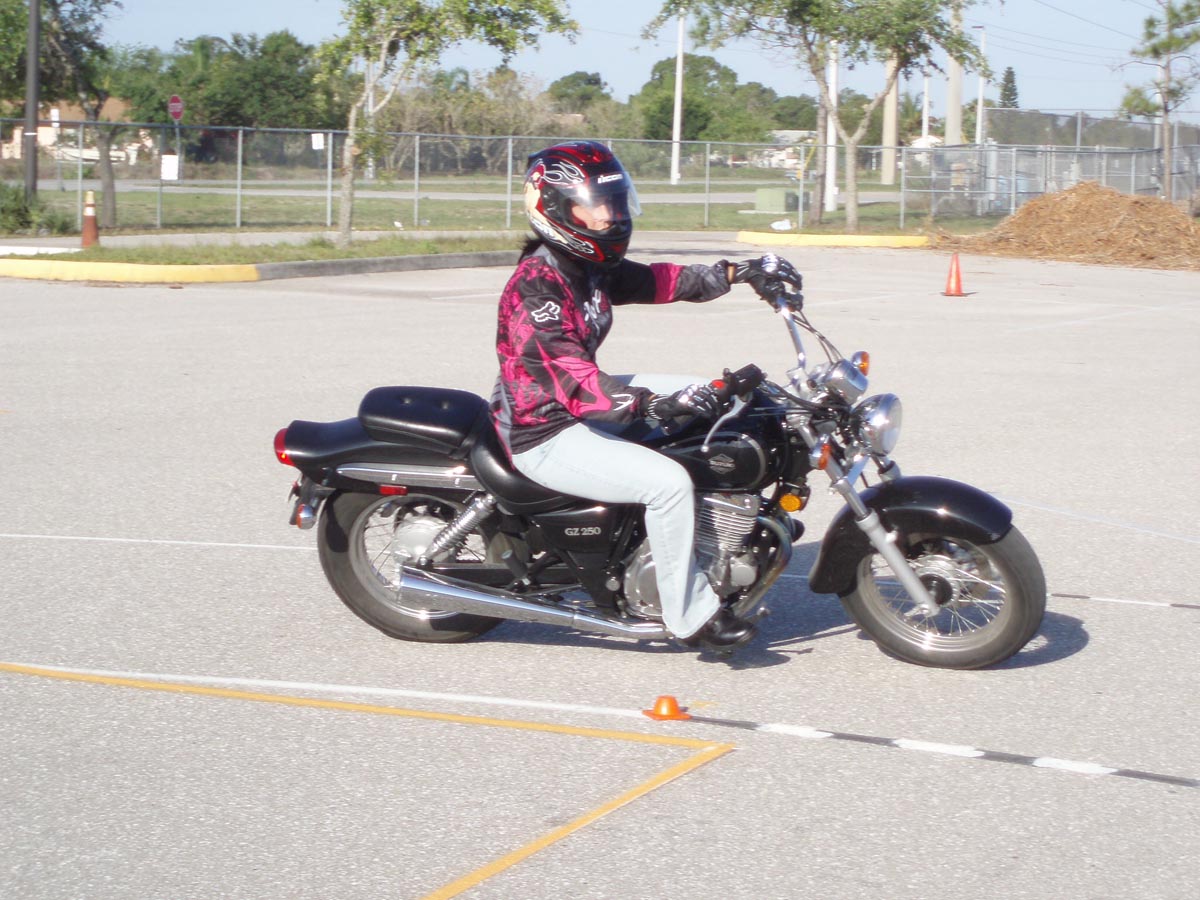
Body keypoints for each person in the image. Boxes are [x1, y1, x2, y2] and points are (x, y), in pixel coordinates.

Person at [489, 140, 801, 650]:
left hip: (576, 404)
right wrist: (647, 404)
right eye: (596, 206)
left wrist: (737, 272)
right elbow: (570, 376)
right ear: (555, 210)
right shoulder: (537, 286)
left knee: (712, 397)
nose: (610, 216)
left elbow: (660, 281)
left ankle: (723, 531)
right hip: (543, 429)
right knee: (668, 484)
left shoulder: (584, 266)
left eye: (615, 203)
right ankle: (689, 616)